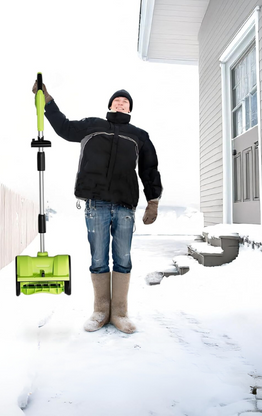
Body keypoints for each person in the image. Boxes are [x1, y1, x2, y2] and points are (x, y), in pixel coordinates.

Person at [32, 81, 162, 334]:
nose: (121, 102)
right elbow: (65, 127)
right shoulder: (93, 125)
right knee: (99, 257)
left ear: (130, 109)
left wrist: (153, 200)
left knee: (123, 257)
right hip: (96, 201)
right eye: (117, 100)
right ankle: (101, 311)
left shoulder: (139, 135)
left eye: (126, 102)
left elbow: (149, 169)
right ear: (110, 105)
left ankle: (120, 313)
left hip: (125, 204)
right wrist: (48, 102)